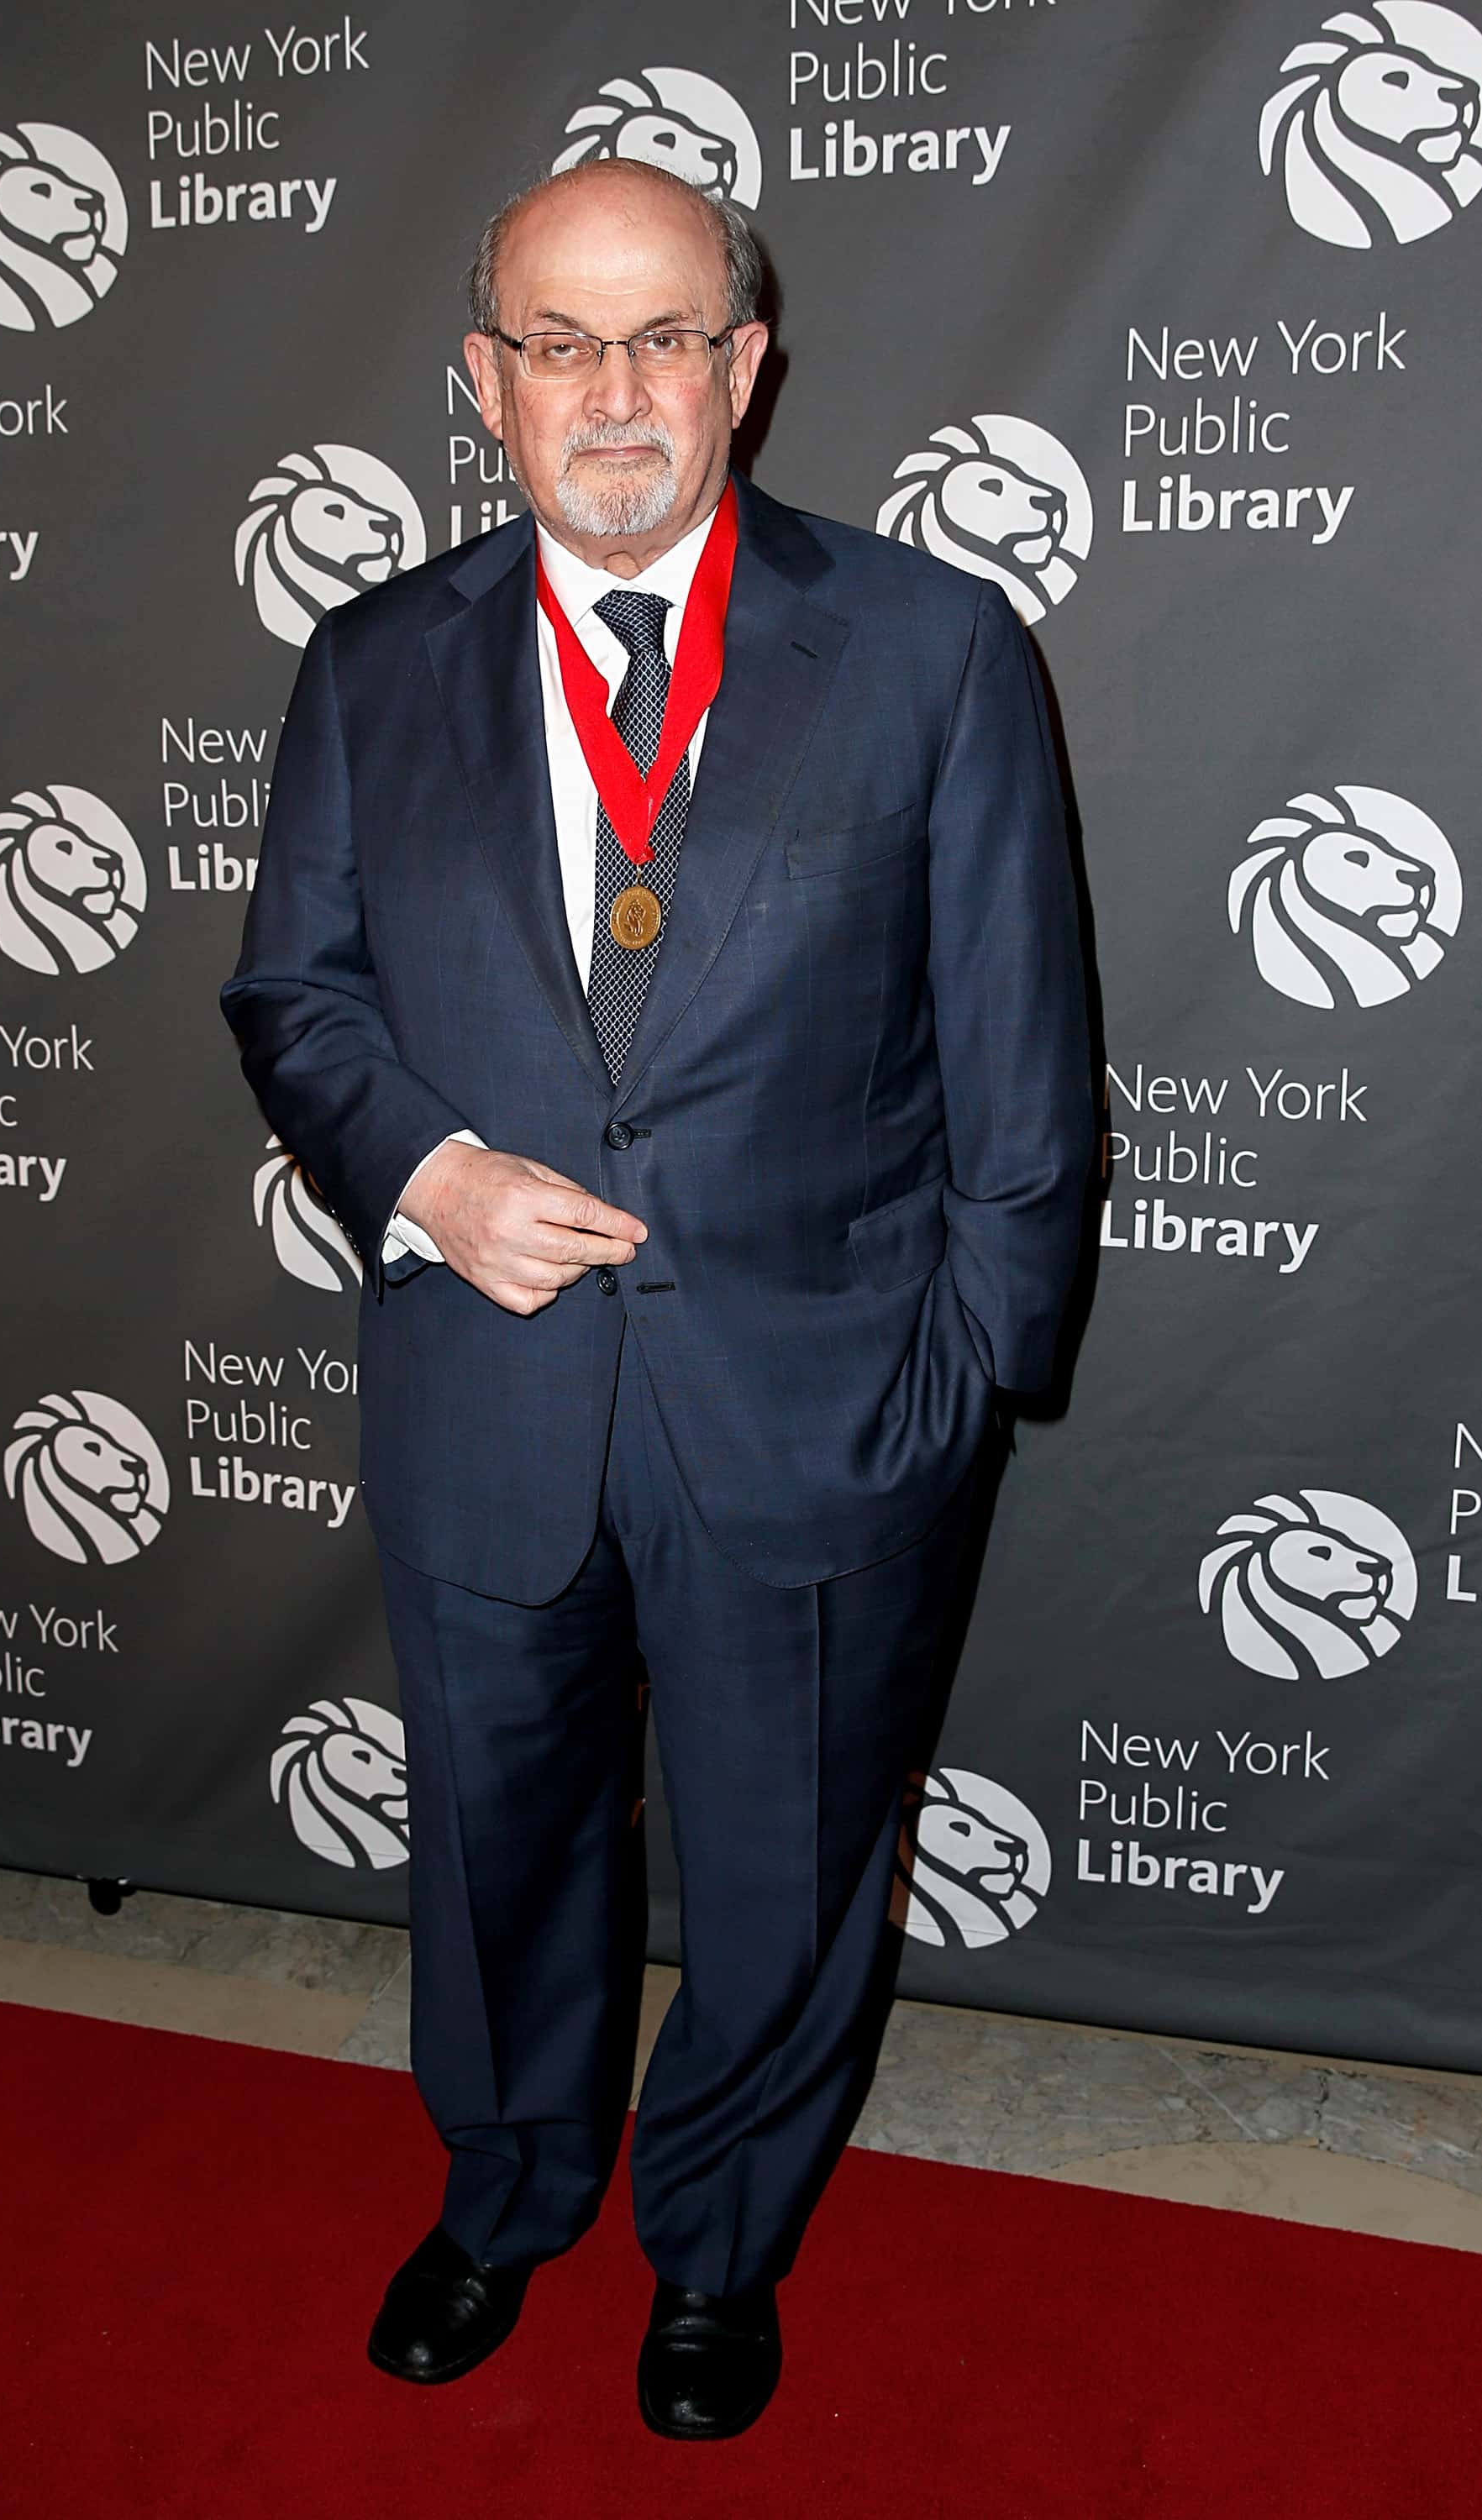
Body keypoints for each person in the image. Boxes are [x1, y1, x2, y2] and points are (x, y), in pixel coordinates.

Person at [220, 156, 1095, 2440]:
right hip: (484, 1384)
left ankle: (717, 2245)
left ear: (744, 364)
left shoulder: (929, 646)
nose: (612, 392)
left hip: (826, 1402)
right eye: (559, 343)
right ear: (484, 379)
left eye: (662, 338)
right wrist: (428, 1177)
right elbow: (296, 995)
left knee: (789, 1874)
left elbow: (1021, 1057)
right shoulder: (373, 661)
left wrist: (966, 1379)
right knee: (500, 1844)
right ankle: (506, 2193)